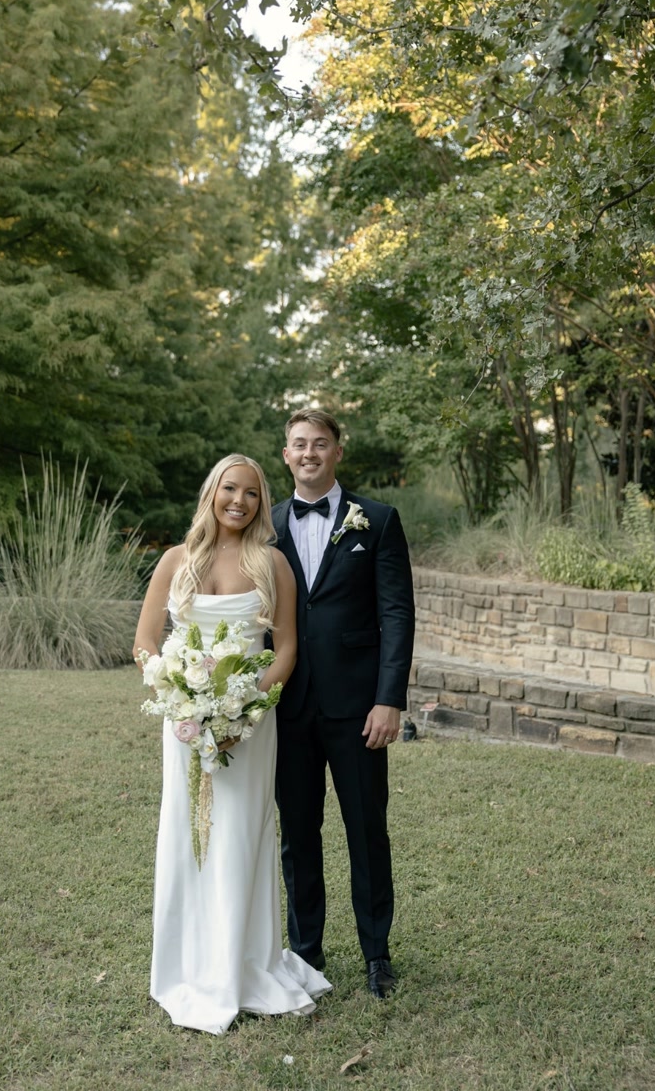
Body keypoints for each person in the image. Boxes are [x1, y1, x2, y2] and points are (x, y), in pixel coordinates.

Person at [133, 453, 331, 1035]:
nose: (238, 501)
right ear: (211, 493)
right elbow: (146, 642)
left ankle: (243, 966)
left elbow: (287, 647)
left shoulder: (272, 564)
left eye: (250, 492)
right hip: (185, 725)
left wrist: (245, 707)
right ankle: (187, 965)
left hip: (249, 724)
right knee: (186, 833)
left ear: (261, 501)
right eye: (229, 489)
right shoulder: (176, 560)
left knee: (240, 833)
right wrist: (177, 697)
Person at [272, 409, 415, 999]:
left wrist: (388, 699)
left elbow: (396, 614)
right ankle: (306, 958)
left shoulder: (376, 521)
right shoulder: (266, 524)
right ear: (285, 455)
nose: (309, 453)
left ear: (336, 453)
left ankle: (377, 955)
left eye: (320, 444)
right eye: (299, 444)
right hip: (284, 709)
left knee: (366, 830)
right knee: (297, 836)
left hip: (359, 711)